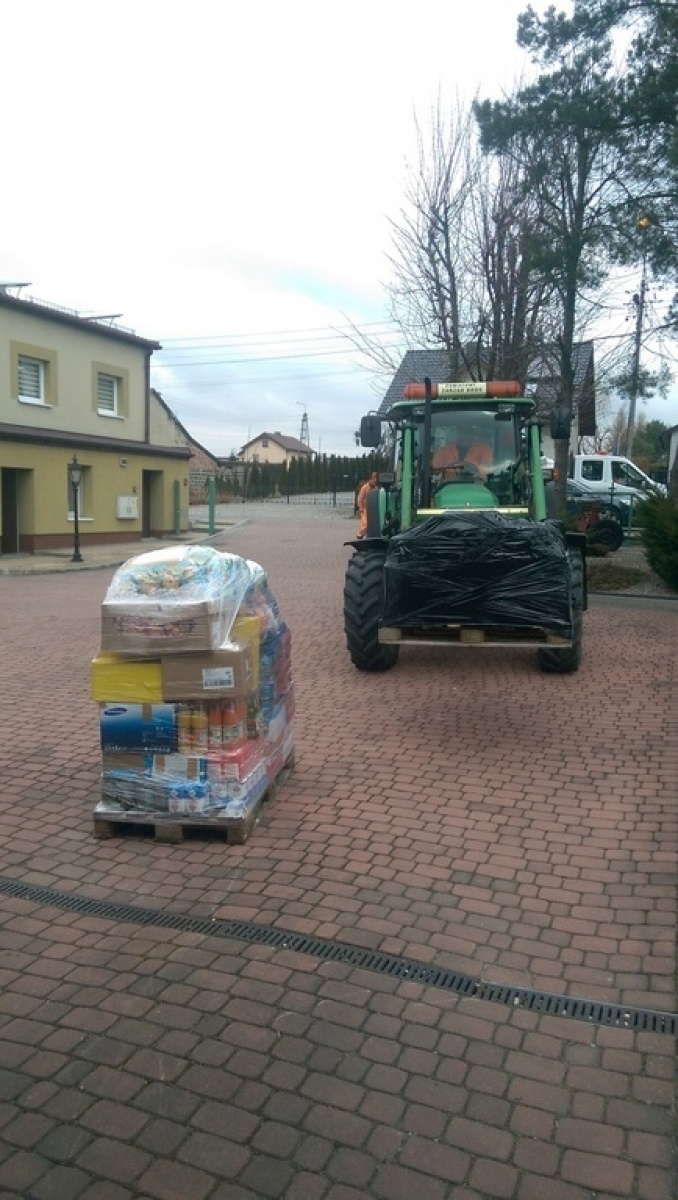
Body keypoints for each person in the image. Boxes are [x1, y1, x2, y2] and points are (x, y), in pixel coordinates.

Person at [356, 471, 379, 538]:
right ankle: (360, 534)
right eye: (374, 478)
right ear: (370, 479)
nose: (375, 480)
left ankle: (367, 534)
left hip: (373, 508)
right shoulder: (365, 487)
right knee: (365, 523)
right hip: (365, 508)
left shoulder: (376, 488)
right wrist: (360, 507)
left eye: (376, 478)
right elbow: (360, 498)